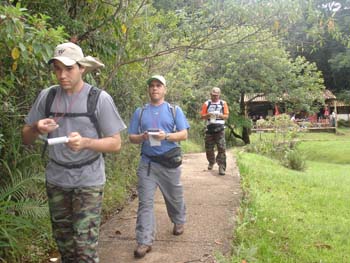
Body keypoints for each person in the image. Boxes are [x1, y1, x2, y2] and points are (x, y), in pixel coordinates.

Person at [22, 42, 126, 263]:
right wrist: (36, 128)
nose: (62, 75)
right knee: (65, 246)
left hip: (88, 180)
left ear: (82, 69)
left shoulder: (99, 98)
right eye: (57, 68)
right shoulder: (47, 96)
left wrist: (86, 142)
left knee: (84, 249)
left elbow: (116, 144)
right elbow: (26, 138)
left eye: (68, 68)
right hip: (57, 180)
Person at [128, 75, 190, 259]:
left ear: (164, 89)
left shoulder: (174, 110)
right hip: (147, 163)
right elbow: (131, 137)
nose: (155, 88)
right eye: (152, 86)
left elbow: (184, 134)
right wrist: (143, 137)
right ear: (148, 90)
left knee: (174, 197)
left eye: (158, 85)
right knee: (145, 203)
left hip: (169, 163)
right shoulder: (140, 112)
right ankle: (144, 240)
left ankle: (179, 220)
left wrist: (167, 136)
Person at [200, 87, 229, 175]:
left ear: (219, 95)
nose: (215, 97)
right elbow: (202, 116)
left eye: (216, 95)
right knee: (209, 148)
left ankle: (222, 167)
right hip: (210, 128)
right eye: (213, 95)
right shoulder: (207, 103)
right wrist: (208, 115)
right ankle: (211, 161)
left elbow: (226, 116)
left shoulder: (223, 103)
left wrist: (219, 115)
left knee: (221, 148)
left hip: (220, 128)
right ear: (210, 95)